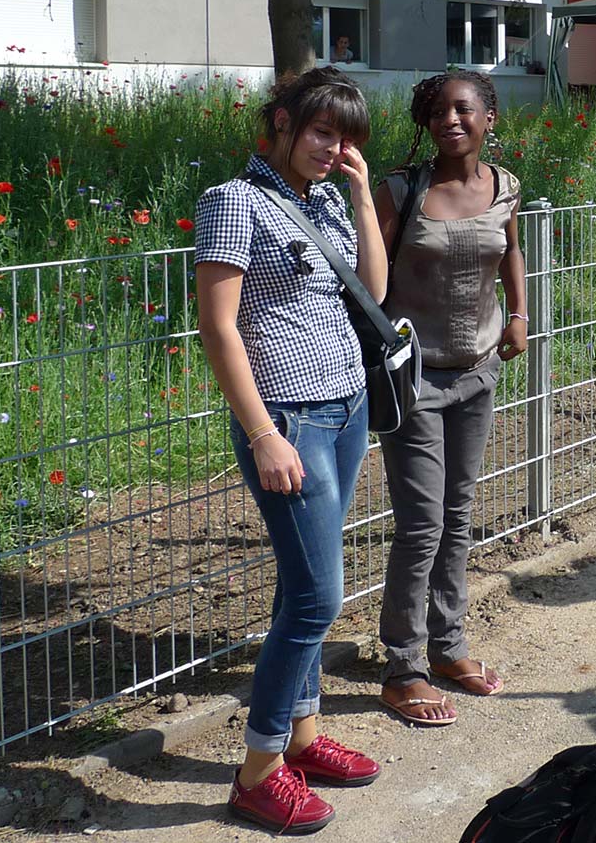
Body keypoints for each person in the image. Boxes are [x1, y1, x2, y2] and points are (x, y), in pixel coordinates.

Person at [195, 68, 385, 834]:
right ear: (279, 122)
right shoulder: (231, 201)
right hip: (289, 421)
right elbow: (219, 327)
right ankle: (258, 769)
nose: (331, 147)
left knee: (302, 583)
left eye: (342, 138)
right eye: (319, 131)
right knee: (316, 598)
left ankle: (302, 735)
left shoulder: (331, 199)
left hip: (345, 409)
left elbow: (371, 289)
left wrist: (366, 195)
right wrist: (263, 432)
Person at [374, 71, 527, 727]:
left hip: (478, 371)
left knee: (458, 512)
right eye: (437, 111)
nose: (451, 119)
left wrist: (519, 313)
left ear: (489, 115)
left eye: (464, 108)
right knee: (422, 523)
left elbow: (510, 248)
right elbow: (369, 278)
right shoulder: (401, 191)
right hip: (416, 380)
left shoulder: (506, 186)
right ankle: (402, 667)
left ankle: (448, 646)